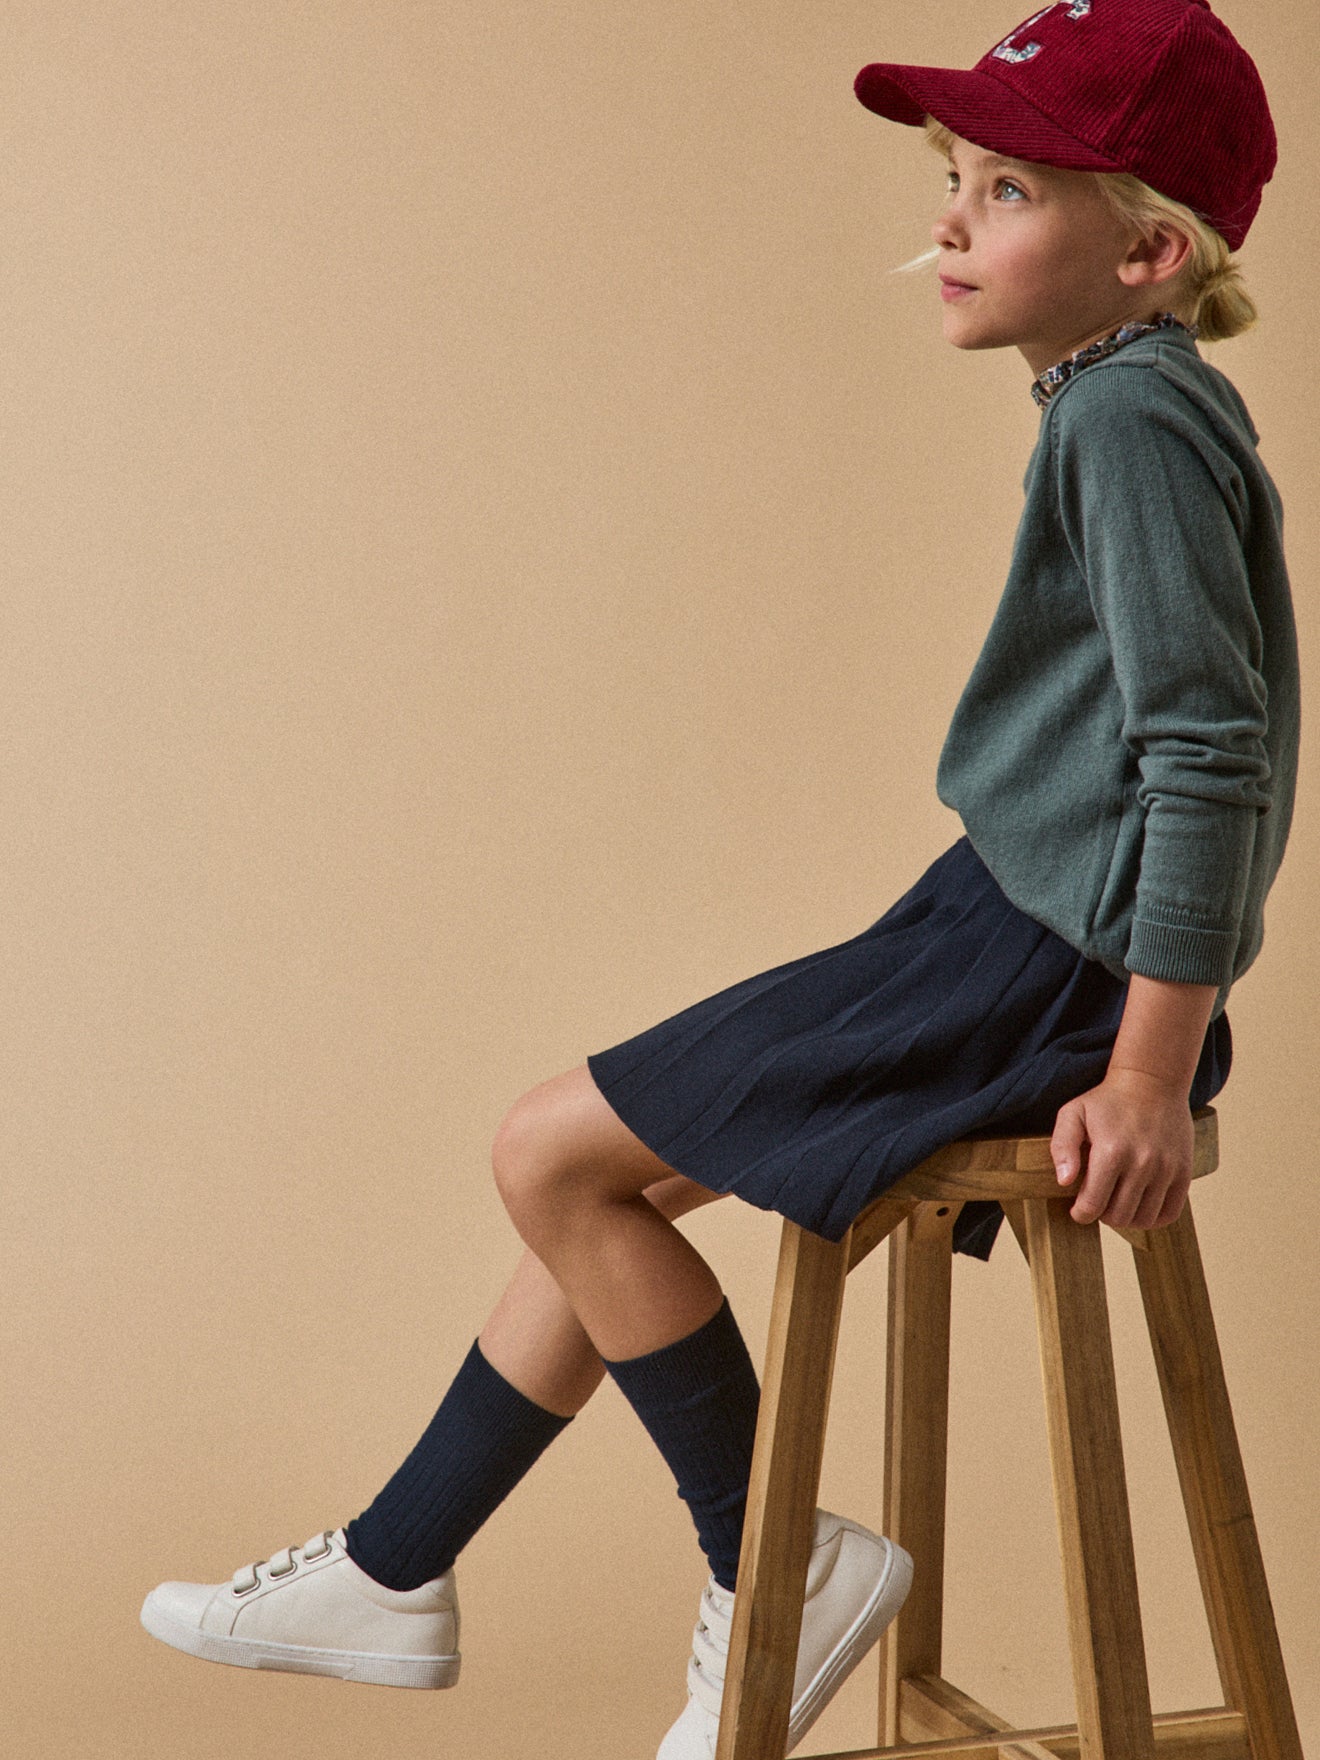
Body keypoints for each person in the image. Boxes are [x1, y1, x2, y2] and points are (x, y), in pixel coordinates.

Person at [139, 3, 1299, 1754]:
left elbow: (1210, 752)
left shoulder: (1127, 422)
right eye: (956, 177)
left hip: (1044, 960)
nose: (950, 219)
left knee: (550, 1152)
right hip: (1006, 922)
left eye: (1008, 190)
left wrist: (1146, 1068)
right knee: (596, 1172)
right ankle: (394, 1566)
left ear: (1146, 253)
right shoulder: (1127, 401)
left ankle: (772, 1563)